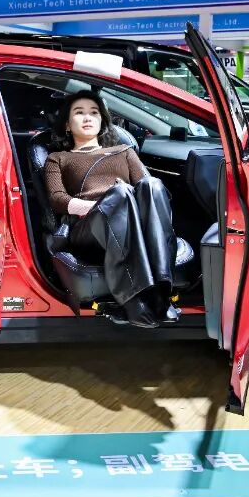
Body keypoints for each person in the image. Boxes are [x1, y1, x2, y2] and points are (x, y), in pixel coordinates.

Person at [43, 92, 180, 328]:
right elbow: (57, 199)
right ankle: (132, 298)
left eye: (94, 113)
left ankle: (161, 291)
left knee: (152, 184)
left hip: (130, 220)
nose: (88, 117)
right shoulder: (59, 158)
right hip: (88, 226)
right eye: (79, 113)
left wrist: (124, 202)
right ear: (67, 124)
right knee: (120, 193)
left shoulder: (124, 151)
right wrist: (105, 204)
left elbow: (149, 194)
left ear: (103, 122)